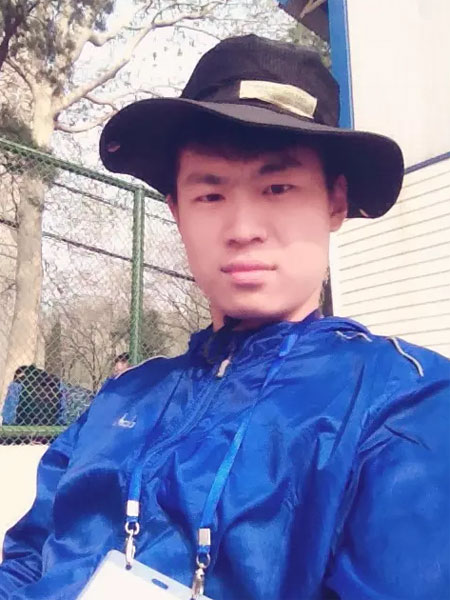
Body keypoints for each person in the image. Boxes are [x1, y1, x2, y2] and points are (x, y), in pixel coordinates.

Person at [0, 35, 448, 600]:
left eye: (278, 187)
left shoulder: (404, 402)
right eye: (210, 196)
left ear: (334, 202)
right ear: (176, 211)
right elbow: (25, 561)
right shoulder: (121, 399)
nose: (243, 229)